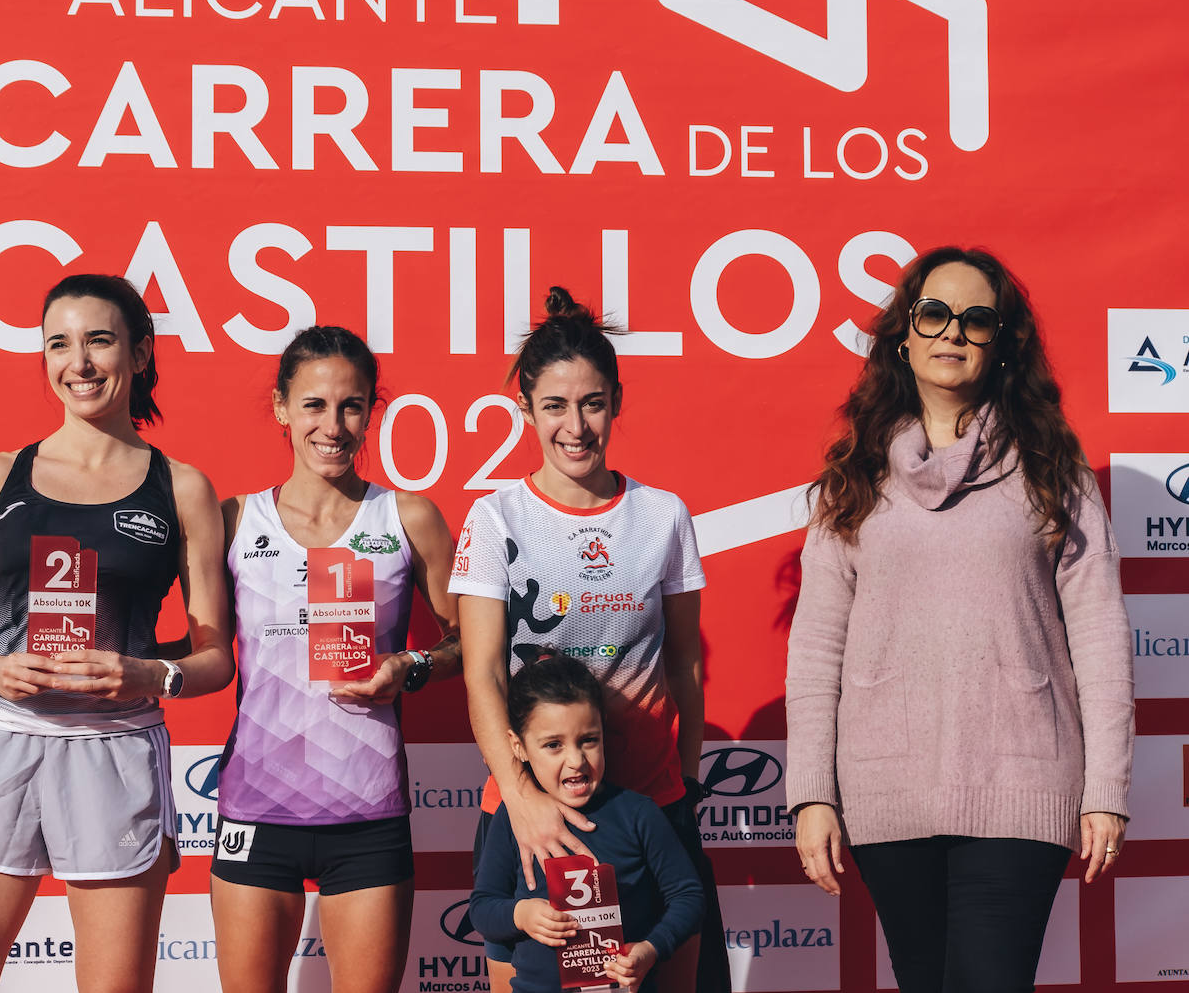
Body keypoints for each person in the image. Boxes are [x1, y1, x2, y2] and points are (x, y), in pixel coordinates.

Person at [785, 247, 1135, 992]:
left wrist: (1106, 786)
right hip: (890, 792)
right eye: (934, 314)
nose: (953, 333)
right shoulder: (853, 479)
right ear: (904, 335)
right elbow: (817, 648)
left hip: (1020, 782)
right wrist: (813, 792)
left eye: (977, 319)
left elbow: (1101, 634)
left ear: (1002, 340)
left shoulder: (1052, 470)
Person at [0, 274, 235, 993]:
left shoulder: (181, 487)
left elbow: (216, 657)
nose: (78, 362)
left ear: (141, 352)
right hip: (4, 746)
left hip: (114, 752)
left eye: (99, 340)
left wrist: (151, 674)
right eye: (59, 343)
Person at [452, 287, 729, 993]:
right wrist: (521, 795)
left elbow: (683, 661)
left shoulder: (662, 515)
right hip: (530, 813)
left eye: (593, 403)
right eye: (554, 405)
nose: (575, 426)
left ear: (616, 400)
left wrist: (684, 784)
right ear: (525, 407)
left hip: (650, 806)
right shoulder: (495, 517)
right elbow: (481, 672)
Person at [210, 325, 461, 993]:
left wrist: (410, 666)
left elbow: (472, 642)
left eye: (352, 405)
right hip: (255, 810)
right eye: (315, 404)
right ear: (281, 407)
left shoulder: (407, 515)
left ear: (372, 409)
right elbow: (198, 644)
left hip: (368, 814)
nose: (333, 424)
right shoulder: (234, 519)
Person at [470, 654, 703, 993]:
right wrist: (521, 915)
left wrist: (650, 950)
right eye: (553, 745)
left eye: (588, 740)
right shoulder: (511, 818)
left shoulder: (639, 813)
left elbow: (689, 896)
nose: (576, 761)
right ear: (518, 747)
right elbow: (482, 908)